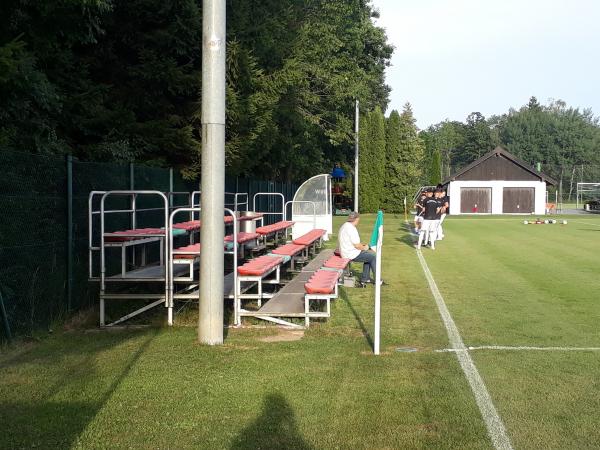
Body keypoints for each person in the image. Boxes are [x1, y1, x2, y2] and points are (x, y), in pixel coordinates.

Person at [338, 211, 379, 287]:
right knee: (373, 257)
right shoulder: (351, 229)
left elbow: (353, 243)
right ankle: (378, 280)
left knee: (368, 257)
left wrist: (363, 246)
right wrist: (365, 247)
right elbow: (357, 246)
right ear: (357, 219)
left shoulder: (345, 225)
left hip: (345, 251)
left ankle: (365, 279)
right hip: (350, 254)